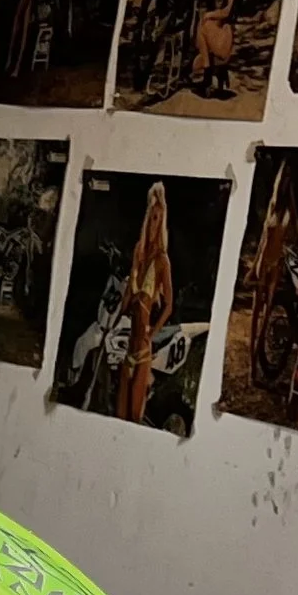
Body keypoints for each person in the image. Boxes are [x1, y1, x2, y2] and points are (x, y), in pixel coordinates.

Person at [118, 181, 176, 423]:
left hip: (143, 349)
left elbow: (169, 305)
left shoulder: (162, 261)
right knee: (119, 414)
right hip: (127, 347)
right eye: (152, 218)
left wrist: (152, 334)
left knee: (133, 417)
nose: (155, 224)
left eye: (159, 219)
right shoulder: (138, 252)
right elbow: (127, 296)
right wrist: (116, 316)